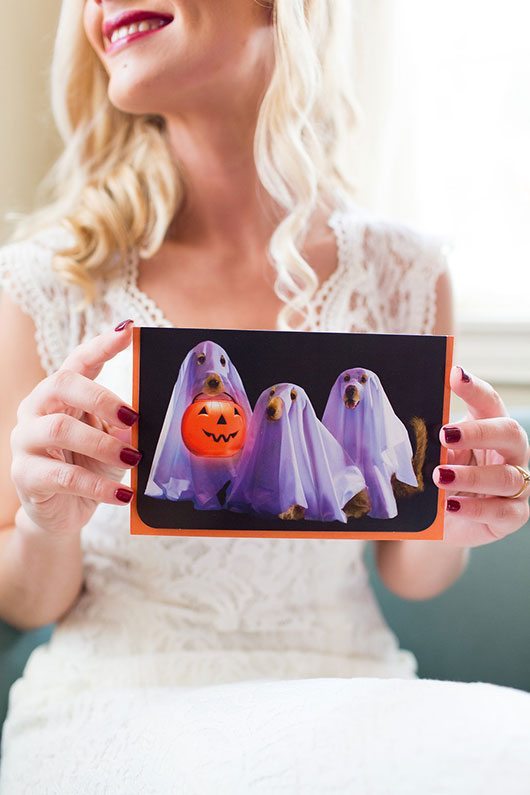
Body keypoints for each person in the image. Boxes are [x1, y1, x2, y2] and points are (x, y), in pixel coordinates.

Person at [0, 0, 529, 791]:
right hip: (120, 704)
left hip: (349, 696)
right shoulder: (45, 281)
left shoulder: (405, 274)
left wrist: (458, 516)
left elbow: (410, 569)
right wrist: (47, 515)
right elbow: (27, 600)